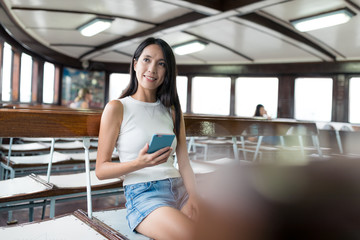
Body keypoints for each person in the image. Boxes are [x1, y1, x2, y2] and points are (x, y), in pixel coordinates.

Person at [95, 37, 199, 240]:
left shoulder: (172, 111)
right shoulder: (117, 107)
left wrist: (194, 197)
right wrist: (139, 163)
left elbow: (184, 162)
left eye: (161, 64)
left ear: (167, 72)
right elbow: (101, 170)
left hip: (180, 188)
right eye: (147, 60)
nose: (152, 69)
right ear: (135, 64)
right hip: (144, 194)